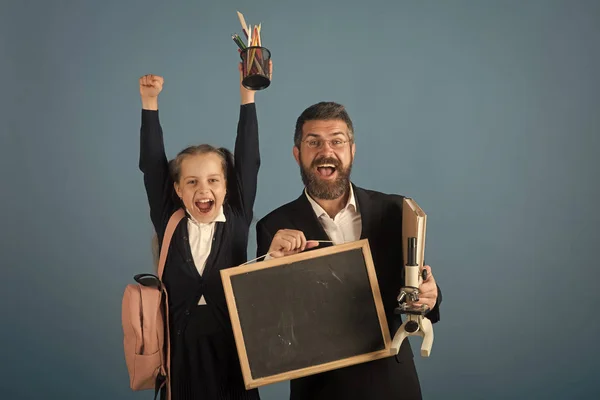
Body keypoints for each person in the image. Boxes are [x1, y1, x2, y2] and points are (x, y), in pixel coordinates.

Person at [255, 101, 442, 400]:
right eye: (313, 142)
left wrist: (430, 295)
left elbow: (418, 283)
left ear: (352, 150)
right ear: (297, 154)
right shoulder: (274, 227)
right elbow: (271, 326)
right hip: (320, 390)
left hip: (393, 383)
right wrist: (270, 267)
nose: (325, 151)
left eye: (336, 141)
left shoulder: (395, 210)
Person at [138, 61, 271, 400]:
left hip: (231, 348)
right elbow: (153, 164)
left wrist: (247, 94)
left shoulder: (238, 217)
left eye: (213, 181)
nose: (203, 190)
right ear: (178, 190)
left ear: (227, 187)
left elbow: (248, 157)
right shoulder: (168, 218)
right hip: (180, 350)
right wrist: (149, 103)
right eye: (192, 182)